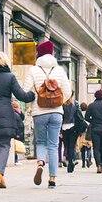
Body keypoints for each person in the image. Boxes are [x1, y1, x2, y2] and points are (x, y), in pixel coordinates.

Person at [23, 41, 72, 188]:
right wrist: (58, 102)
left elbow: (26, 91)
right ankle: (52, 179)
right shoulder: (60, 70)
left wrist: (34, 102)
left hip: (39, 112)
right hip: (56, 113)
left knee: (41, 142)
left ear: (39, 53)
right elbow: (68, 91)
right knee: (53, 145)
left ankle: (40, 163)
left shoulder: (33, 70)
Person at [0, 51, 34, 188]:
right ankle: (0, 172)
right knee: (5, 144)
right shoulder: (10, 77)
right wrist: (33, 95)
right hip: (5, 113)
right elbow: (21, 95)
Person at [85, 90, 102, 174]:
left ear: (95, 96)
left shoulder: (91, 106)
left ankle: (98, 165)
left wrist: (93, 121)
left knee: (96, 148)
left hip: (95, 129)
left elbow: (86, 117)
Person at [61, 99, 86, 173]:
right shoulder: (75, 103)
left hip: (64, 127)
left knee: (67, 146)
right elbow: (79, 117)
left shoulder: (62, 103)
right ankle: (70, 162)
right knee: (72, 146)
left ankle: (69, 160)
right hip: (73, 127)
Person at [77, 103, 93, 168]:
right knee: (89, 147)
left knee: (82, 149)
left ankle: (83, 163)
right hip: (88, 132)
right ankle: (88, 159)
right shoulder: (88, 113)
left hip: (82, 133)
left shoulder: (79, 113)